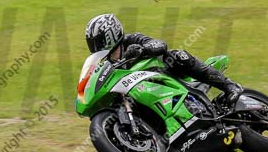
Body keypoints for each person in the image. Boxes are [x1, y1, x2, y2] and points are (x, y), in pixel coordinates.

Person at [85, 13, 243, 105]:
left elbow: (160, 44)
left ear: (109, 35)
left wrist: (142, 49)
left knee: (178, 56)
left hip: (167, 75)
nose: (94, 46)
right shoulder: (106, 65)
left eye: (96, 41)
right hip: (147, 96)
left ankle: (229, 86)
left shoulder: (131, 40)